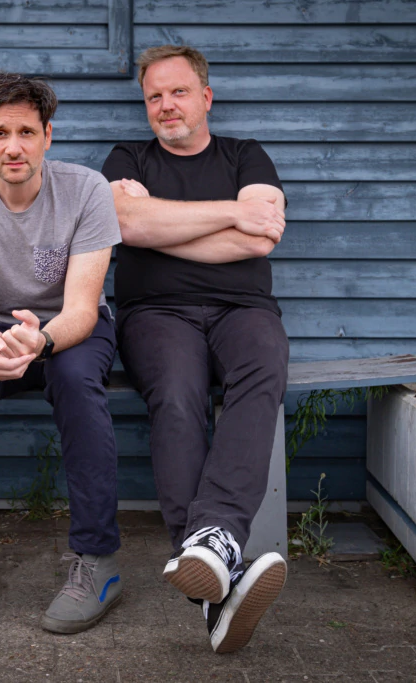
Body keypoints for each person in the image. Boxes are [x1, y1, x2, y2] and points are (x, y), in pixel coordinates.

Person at [101, 45, 290, 654]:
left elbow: (259, 241)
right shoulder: (127, 158)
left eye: (178, 92)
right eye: (154, 96)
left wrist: (159, 224)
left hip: (244, 310)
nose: (166, 105)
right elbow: (126, 225)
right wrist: (232, 213)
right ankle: (217, 560)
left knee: (262, 371)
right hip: (155, 314)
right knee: (178, 394)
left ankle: (210, 551)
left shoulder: (246, 154)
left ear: (205, 97)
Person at [0, 72, 123, 636]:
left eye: (27, 132)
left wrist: (43, 340)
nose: (14, 147)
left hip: (70, 329)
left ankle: (98, 560)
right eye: (0, 133)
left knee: (78, 385)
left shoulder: (87, 190)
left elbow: (82, 308)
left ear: (47, 136)